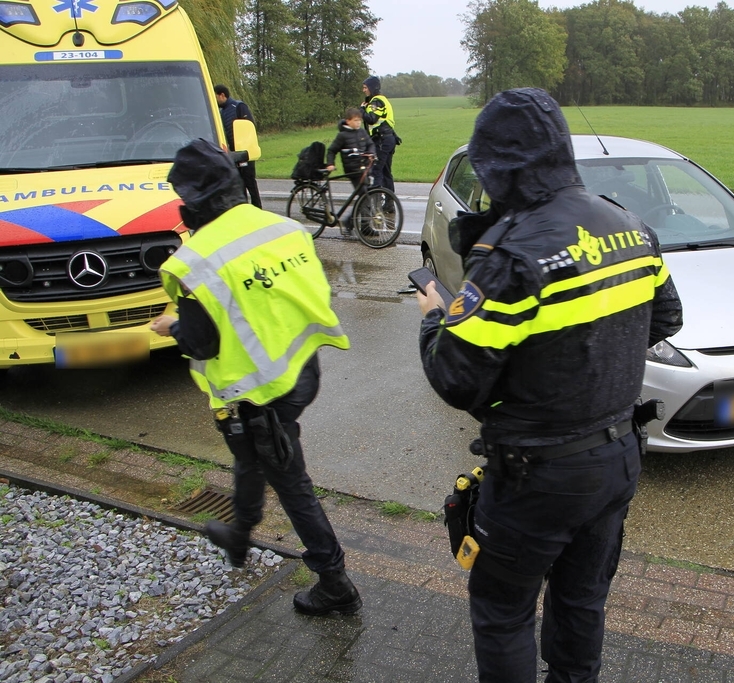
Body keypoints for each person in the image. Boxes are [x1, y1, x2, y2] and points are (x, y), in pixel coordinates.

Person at [415, 88, 683, 683]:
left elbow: (456, 378)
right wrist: (587, 361)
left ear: (497, 168)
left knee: (503, 611)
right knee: (581, 601)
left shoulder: (510, 255)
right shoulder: (629, 226)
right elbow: (666, 318)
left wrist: (436, 315)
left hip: (537, 475)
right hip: (617, 459)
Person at [151, 138, 361, 617]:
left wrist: (172, 326)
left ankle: (335, 582)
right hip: (301, 370)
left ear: (188, 200)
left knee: (291, 482)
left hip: (256, 391)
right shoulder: (282, 227)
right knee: (251, 456)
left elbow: (202, 343)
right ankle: (240, 536)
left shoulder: (196, 259)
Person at [326, 107, 376, 232]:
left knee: (363, 195)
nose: (358, 123)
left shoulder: (362, 132)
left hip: (364, 168)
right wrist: (330, 164)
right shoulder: (342, 135)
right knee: (364, 196)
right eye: (355, 120)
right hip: (353, 170)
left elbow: (370, 144)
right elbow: (332, 150)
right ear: (348, 121)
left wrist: (371, 153)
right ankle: (364, 227)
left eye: (359, 120)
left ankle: (350, 221)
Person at [214, 84, 262, 208]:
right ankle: (244, 208)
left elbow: (248, 127)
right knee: (239, 184)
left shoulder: (239, 106)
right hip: (233, 153)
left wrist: (247, 150)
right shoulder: (222, 112)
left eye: (216, 97)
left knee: (249, 182)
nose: (215, 101)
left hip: (245, 152)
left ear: (222, 95)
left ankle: (257, 208)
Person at [360, 76, 397, 194]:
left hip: (382, 140)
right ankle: (389, 203)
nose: (363, 90)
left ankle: (375, 204)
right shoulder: (380, 100)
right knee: (386, 172)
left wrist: (361, 110)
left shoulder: (377, 101)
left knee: (377, 171)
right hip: (388, 139)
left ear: (372, 88)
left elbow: (371, 119)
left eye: (365, 88)